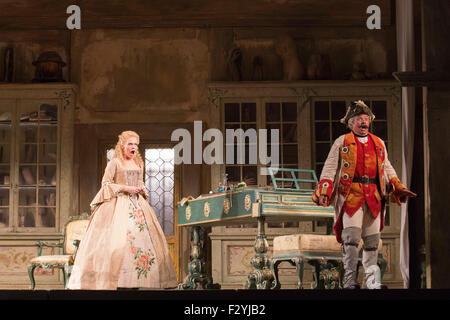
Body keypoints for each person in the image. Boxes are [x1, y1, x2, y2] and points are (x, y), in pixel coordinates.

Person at [312, 100, 416, 289]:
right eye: (359, 119)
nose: (363, 122)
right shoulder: (342, 142)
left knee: (372, 241)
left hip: (374, 197)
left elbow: (387, 168)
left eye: (366, 118)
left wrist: (397, 186)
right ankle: (350, 281)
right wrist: (325, 191)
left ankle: (371, 281)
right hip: (351, 197)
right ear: (350, 123)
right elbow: (329, 169)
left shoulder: (378, 143)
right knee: (351, 239)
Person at [67, 131, 177, 290]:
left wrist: (142, 189)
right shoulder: (115, 163)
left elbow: (140, 182)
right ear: (122, 145)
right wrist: (126, 188)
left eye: (136, 145)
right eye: (130, 144)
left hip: (138, 207)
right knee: (117, 242)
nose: (133, 147)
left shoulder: (138, 163)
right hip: (117, 206)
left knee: (143, 241)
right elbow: (106, 184)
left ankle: (137, 282)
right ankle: (115, 282)